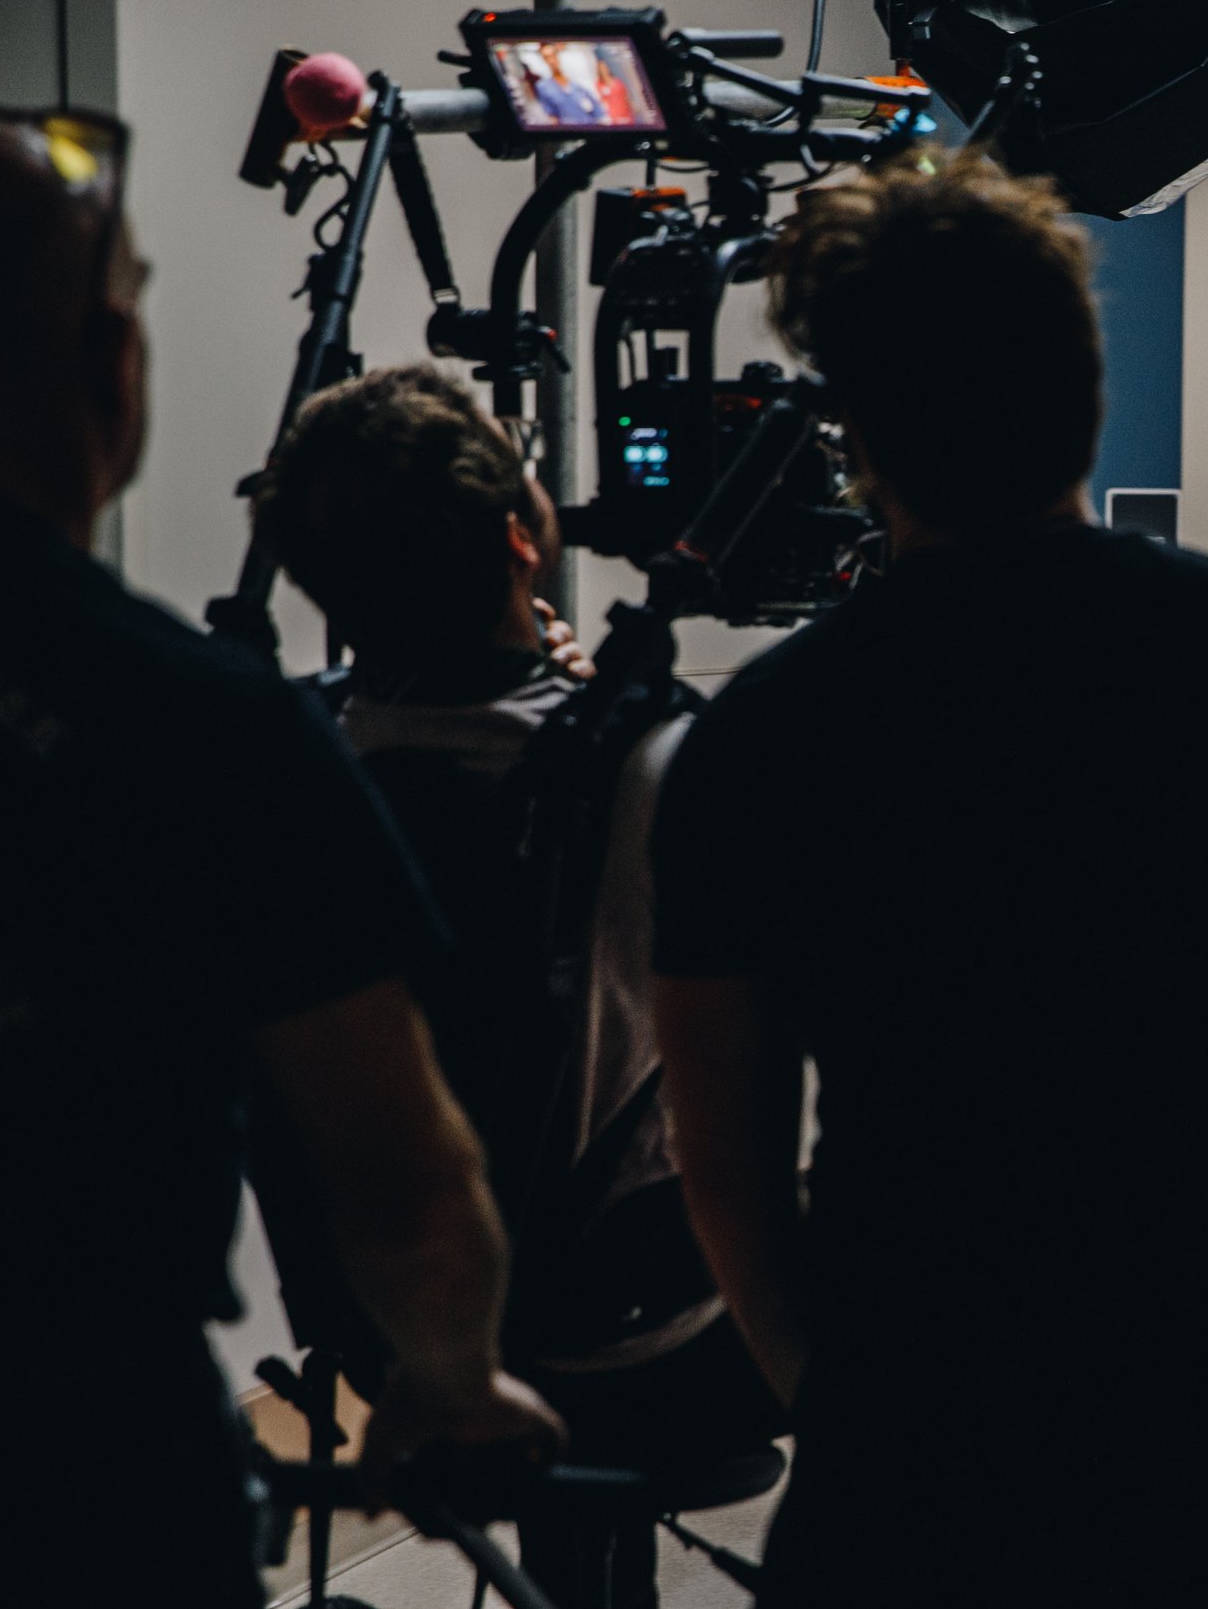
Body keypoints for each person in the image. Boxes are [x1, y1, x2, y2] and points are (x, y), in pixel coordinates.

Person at [651, 151, 1208, 1609]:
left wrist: (842, 1390)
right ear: (1085, 380)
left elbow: (722, 1166)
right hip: (1207, 1425)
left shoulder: (760, 733)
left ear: (852, 423)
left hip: (903, 1443)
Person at [0, 112, 561, 1606]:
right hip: (78, 1487)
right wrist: (453, 1388)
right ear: (109, 365)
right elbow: (403, 1172)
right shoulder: (196, 721)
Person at [258, 362, 786, 1609]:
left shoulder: (279, 775)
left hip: (387, 1334)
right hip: (641, 1331)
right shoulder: (663, 767)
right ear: (519, 541)